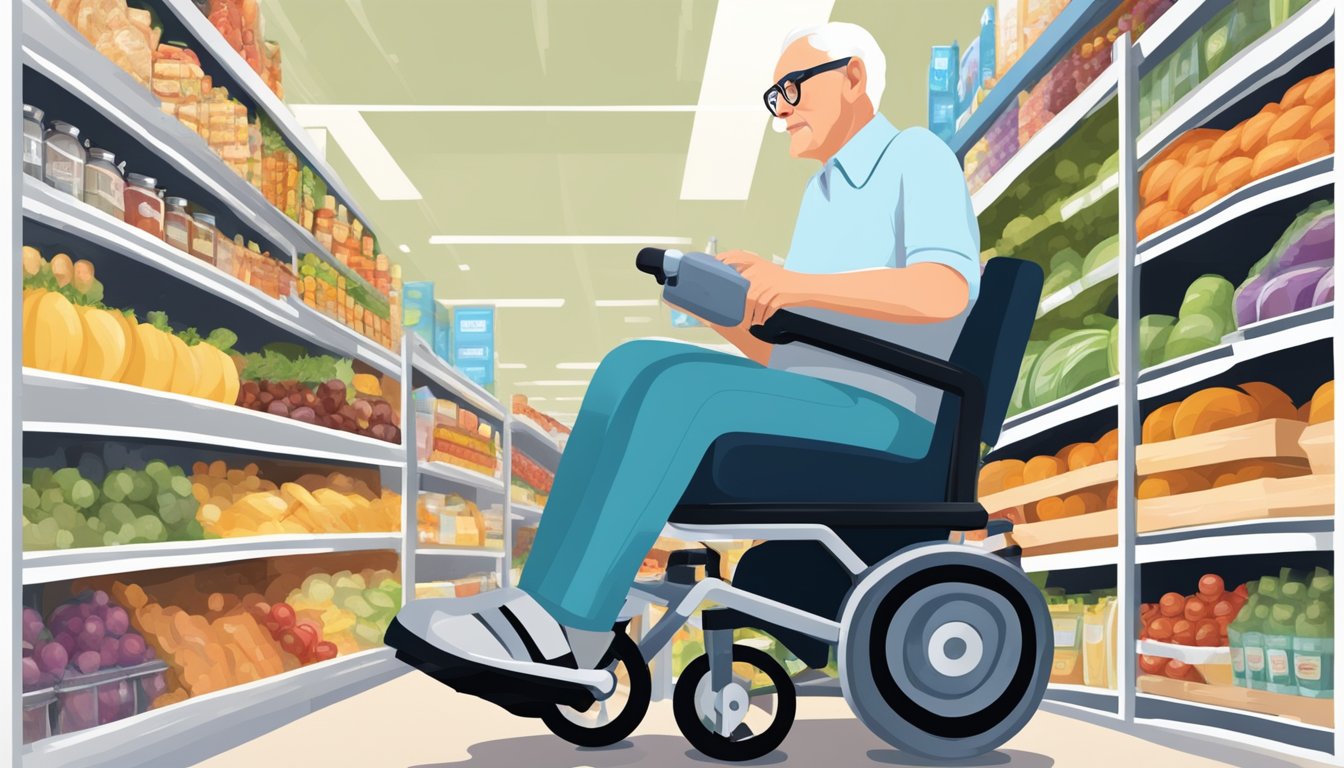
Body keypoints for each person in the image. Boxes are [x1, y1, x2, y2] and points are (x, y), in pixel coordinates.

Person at [396, 21, 981, 684]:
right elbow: (793, 354)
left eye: (792, 87)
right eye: (773, 96)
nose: (781, 108)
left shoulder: (916, 157)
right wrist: (730, 311)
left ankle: (568, 626)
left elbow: (945, 290)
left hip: (889, 416)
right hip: (824, 400)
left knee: (679, 389)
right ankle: (540, 606)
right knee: (635, 362)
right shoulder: (821, 196)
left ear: (853, 78)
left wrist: (790, 282)